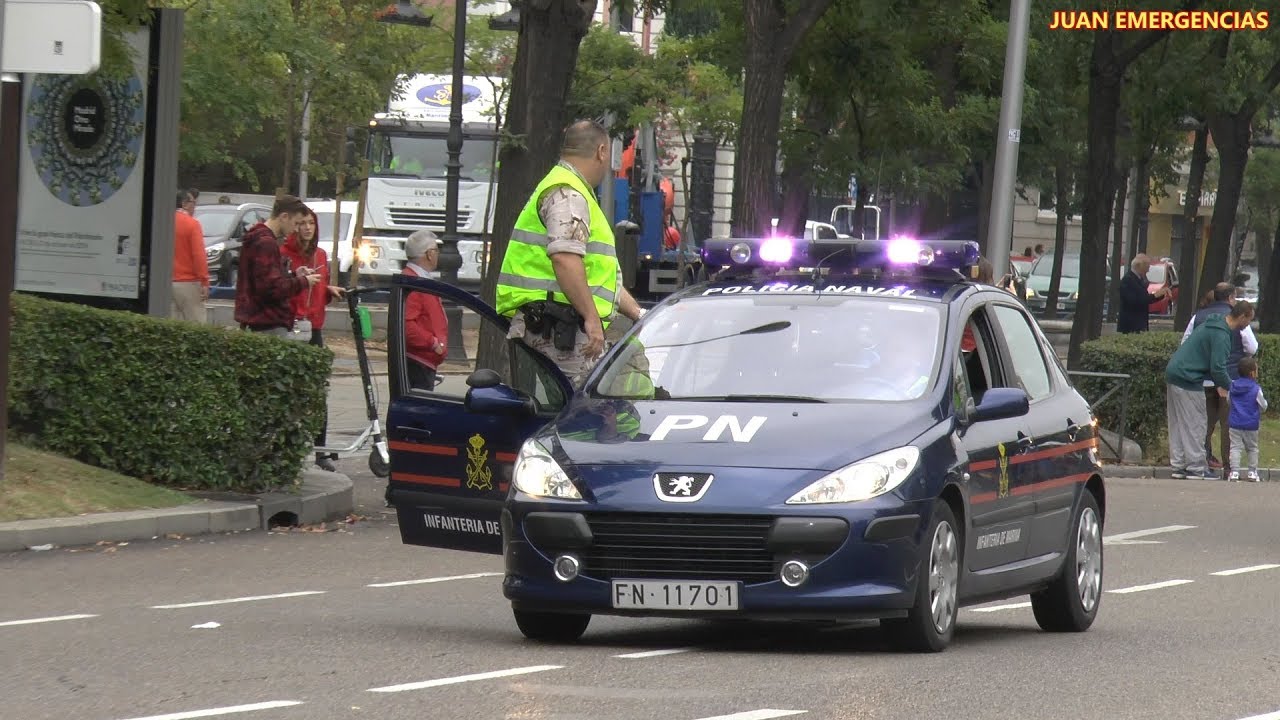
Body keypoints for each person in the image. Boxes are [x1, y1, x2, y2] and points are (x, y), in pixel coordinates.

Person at [495, 119, 644, 386]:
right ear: (601, 151)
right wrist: (591, 319)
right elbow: (565, 258)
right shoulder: (568, 193)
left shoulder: (565, 188)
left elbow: (595, 278)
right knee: (586, 412)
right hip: (558, 330)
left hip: (555, 325)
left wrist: (639, 314)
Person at [282, 205, 346, 471]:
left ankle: (320, 450)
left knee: (319, 391)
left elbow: (318, 287)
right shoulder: (285, 253)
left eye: (311, 223)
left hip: (314, 327)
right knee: (292, 390)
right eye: (303, 223)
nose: (307, 228)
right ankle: (288, 449)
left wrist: (328, 290)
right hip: (292, 325)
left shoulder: (319, 254)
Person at [1165, 300, 1255, 480]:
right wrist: (1233, 387)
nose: (1248, 325)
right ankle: (1196, 467)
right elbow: (1218, 368)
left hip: (1174, 373)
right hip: (1188, 378)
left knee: (1178, 423)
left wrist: (1220, 383)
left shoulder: (1212, 325)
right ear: (1243, 316)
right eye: (1249, 320)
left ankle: (1179, 465)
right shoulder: (1222, 335)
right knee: (1196, 423)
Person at [234, 194, 319, 336]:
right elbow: (271, 289)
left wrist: (292, 275)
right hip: (267, 322)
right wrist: (303, 282)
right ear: (284, 216)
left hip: (256, 319)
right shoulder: (266, 243)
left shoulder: (256, 237)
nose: (296, 229)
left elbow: (263, 279)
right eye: (297, 223)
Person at [402, 229, 448, 391]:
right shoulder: (413, 282)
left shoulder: (418, 279)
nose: (437, 254)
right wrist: (433, 343)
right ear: (429, 254)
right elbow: (407, 326)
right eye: (436, 250)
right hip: (418, 363)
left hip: (423, 362)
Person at [171, 190, 210, 323]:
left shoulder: (162, 222)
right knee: (197, 327)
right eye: (194, 202)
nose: (195, 206)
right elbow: (198, 255)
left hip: (165, 283)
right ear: (185, 204)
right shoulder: (192, 224)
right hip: (188, 283)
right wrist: (204, 281)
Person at [1227, 356, 1268, 482]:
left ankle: (1234, 472)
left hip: (1235, 423)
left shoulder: (1233, 386)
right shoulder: (1256, 388)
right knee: (1252, 448)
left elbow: (1229, 401)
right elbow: (1263, 405)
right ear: (1252, 372)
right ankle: (1252, 472)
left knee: (1235, 447)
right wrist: (1258, 411)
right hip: (1251, 423)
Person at [1116, 254, 1169, 334]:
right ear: (1139, 266)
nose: (1148, 270)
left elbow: (1146, 299)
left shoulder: (1139, 279)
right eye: (1147, 266)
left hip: (1139, 323)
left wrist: (1161, 295)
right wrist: (1155, 295)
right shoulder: (1128, 280)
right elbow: (1136, 301)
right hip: (1130, 325)